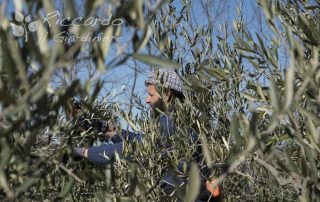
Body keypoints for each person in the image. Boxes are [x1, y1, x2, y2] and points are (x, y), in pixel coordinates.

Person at [74, 67, 221, 201]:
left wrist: (84, 152)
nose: (147, 100)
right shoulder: (182, 122)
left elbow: (132, 150)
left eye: (151, 95)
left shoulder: (170, 125)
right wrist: (104, 128)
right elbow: (141, 141)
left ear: (167, 95)